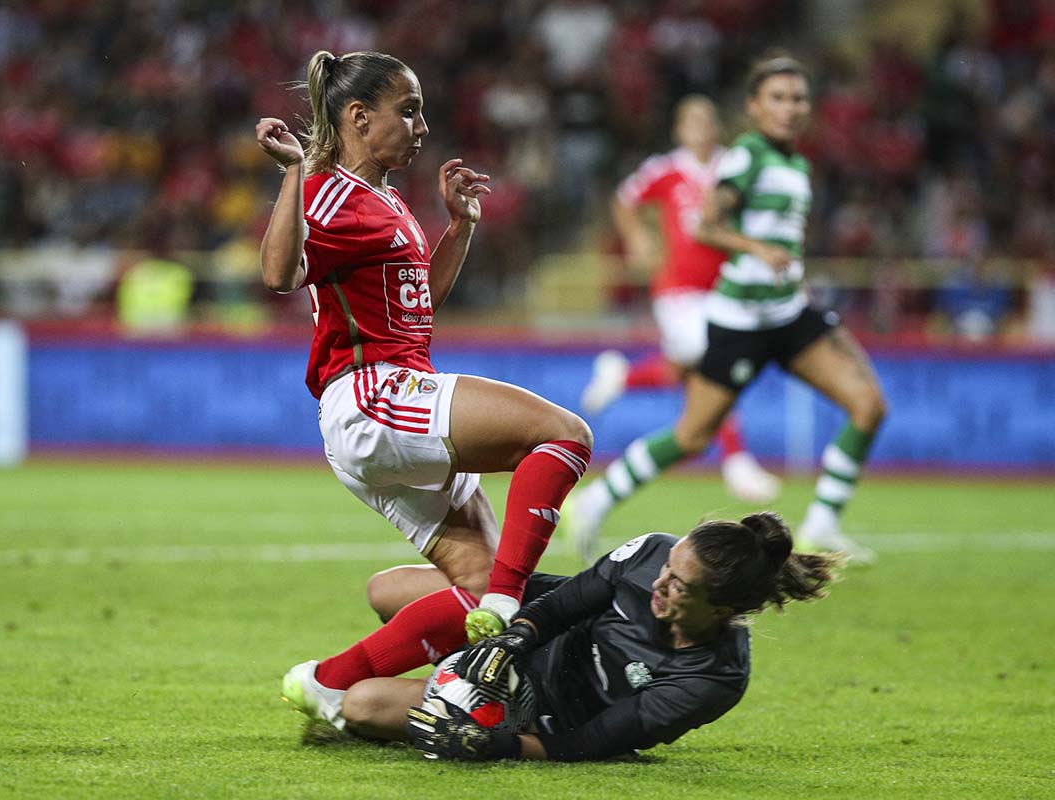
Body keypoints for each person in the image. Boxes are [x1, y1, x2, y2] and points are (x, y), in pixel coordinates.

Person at [257, 50, 593, 729]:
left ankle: (328, 683)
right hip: (373, 395)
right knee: (564, 436)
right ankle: (504, 607)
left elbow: (418, 308)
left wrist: (459, 228)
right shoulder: (328, 191)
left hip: (382, 400)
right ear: (357, 117)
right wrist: (295, 170)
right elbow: (279, 274)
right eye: (407, 110)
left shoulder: (381, 199)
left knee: (473, 582)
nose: (422, 125)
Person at [566, 54, 887, 564]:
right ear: (755, 106)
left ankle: (822, 525)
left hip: (788, 315)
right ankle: (597, 499)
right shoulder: (746, 158)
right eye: (777, 98)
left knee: (869, 405)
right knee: (693, 435)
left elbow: (786, 245)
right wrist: (756, 249)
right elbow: (705, 226)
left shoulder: (796, 164)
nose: (789, 108)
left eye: (798, 98)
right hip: (741, 321)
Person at [334, 512, 838, 761]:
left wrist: (497, 745)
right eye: (668, 567)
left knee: (361, 706)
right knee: (387, 589)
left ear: (721, 609)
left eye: (680, 585)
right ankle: (457, 669)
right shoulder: (652, 553)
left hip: (546, 703)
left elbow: (599, 740)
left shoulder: (713, 677)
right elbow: (565, 603)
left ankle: (462, 695)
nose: (660, 581)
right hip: (541, 627)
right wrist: (513, 639)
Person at [579, 95, 781, 536]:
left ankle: (624, 379)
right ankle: (736, 460)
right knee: (714, 362)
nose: (700, 130)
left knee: (692, 372)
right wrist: (635, 236)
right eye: (692, 123)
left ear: (716, 127)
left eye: (707, 122)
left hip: (725, 287)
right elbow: (623, 198)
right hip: (677, 290)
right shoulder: (664, 169)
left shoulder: (733, 166)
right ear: (679, 130)